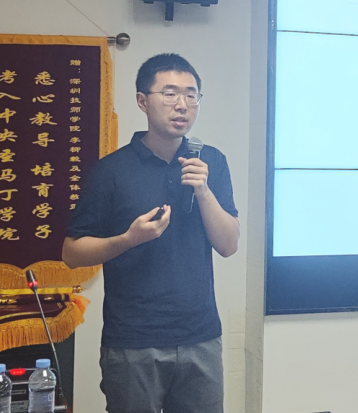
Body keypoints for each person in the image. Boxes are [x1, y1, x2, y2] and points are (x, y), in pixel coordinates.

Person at [62, 53, 240, 413]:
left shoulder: (212, 162)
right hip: (133, 342)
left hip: (201, 337)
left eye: (191, 95)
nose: (182, 104)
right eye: (170, 93)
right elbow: (72, 253)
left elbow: (229, 244)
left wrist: (203, 191)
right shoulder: (110, 171)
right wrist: (128, 240)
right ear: (143, 101)